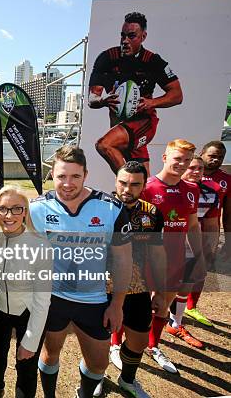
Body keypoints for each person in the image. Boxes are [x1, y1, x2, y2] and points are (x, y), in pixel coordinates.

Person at [28, 146, 133, 398]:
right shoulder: (35, 209)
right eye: (61, 176)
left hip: (94, 299)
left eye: (75, 176)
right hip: (52, 299)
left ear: (86, 174)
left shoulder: (111, 208)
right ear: (51, 174)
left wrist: (117, 304)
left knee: (98, 362)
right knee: (50, 353)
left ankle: (84, 394)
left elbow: (123, 261)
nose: (67, 183)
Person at [94, 161, 167, 397]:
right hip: (100, 288)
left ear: (144, 185)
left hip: (137, 288)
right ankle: (95, 377)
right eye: (123, 182)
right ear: (115, 181)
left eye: (135, 184)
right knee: (97, 341)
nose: (127, 189)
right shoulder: (99, 208)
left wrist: (160, 290)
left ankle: (127, 379)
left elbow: (157, 253)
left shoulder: (153, 213)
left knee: (138, 341)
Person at [88, 12, 183, 176]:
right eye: (122, 36)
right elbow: (92, 99)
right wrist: (102, 100)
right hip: (120, 125)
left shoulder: (153, 61)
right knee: (144, 182)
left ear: (143, 36)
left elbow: (177, 95)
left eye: (131, 36)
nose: (125, 41)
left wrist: (151, 102)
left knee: (104, 145)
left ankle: (126, 183)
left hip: (143, 122)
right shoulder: (107, 58)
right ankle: (136, 190)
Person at [140, 139, 203, 373]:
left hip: (175, 259)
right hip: (147, 258)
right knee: (136, 305)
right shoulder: (146, 188)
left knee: (163, 305)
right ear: (165, 157)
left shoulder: (192, 190)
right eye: (178, 158)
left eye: (187, 160)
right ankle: (116, 345)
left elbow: (194, 226)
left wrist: (198, 256)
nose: (182, 164)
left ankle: (153, 345)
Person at [0, 185, 52, 398]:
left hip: (28, 313)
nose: (9, 215)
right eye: (2, 209)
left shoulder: (40, 245)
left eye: (16, 209)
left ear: (25, 211)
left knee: (26, 368)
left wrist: (31, 341)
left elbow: (43, 301)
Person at [163, 155, 221, 343]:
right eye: (192, 167)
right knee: (159, 289)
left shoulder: (211, 192)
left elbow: (211, 224)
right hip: (166, 248)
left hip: (191, 246)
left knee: (185, 286)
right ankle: (151, 327)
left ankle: (176, 323)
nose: (196, 172)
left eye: (200, 169)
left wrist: (207, 251)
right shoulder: (161, 188)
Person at [186, 141, 231, 325]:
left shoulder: (226, 181)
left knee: (200, 269)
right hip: (182, 232)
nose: (216, 160)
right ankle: (170, 308)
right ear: (202, 153)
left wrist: (228, 240)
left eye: (220, 157)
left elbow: (228, 213)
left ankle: (191, 306)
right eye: (212, 155)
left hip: (207, 232)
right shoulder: (188, 172)